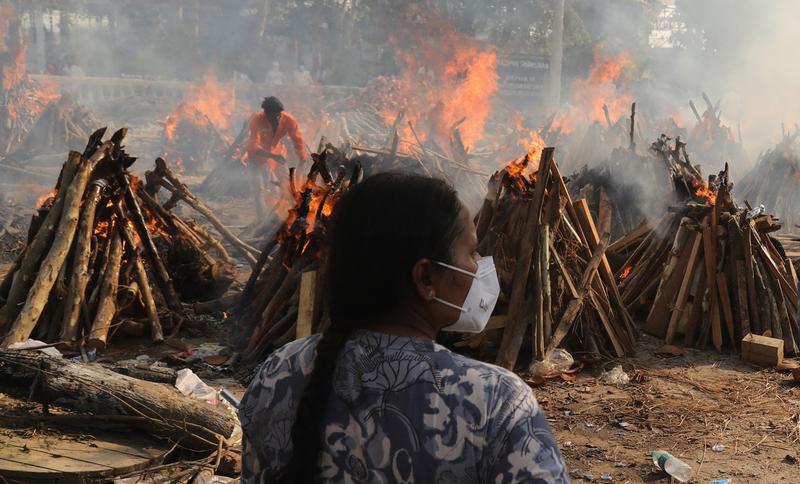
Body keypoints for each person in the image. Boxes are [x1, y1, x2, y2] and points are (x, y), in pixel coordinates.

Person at [240, 173, 569, 483]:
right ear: (426, 278)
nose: (478, 265)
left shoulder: (278, 375)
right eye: (471, 252)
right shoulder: (493, 401)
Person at [246, 96, 308, 220]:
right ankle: (261, 221)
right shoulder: (257, 120)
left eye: (279, 115)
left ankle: (292, 215)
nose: (278, 119)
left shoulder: (289, 120)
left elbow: (297, 139)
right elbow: (253, 146)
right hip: (257, 158)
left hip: (277, 155)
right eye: (274, 116)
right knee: (259, 190)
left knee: (288, 185)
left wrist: (302, 157)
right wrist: (272, 156)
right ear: (266, 113)